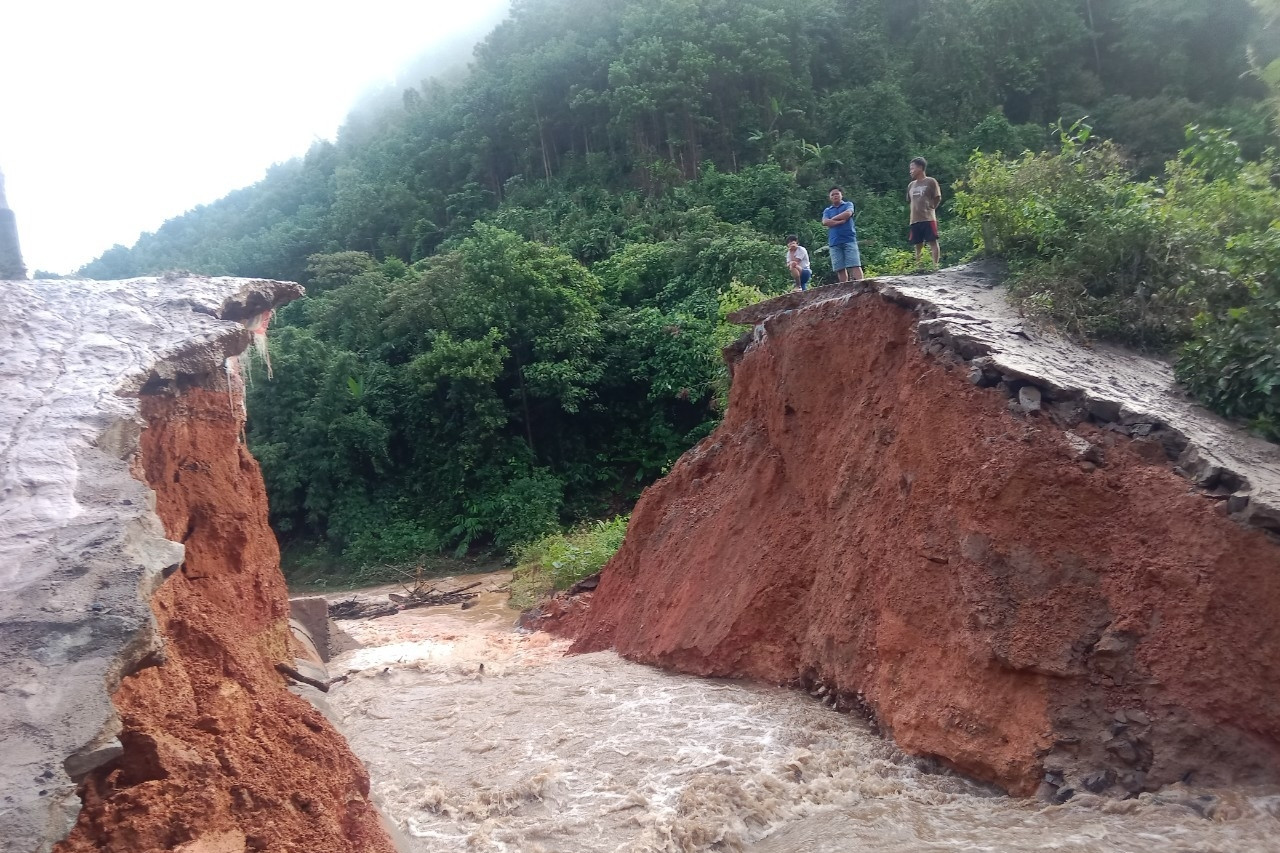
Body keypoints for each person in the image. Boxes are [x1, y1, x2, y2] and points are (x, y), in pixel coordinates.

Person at [821, 187, 863, 282]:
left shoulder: (848, 204)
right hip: (834, 242)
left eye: (837, 194)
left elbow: (848, 214)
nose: (835, 196)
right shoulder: (827, 210)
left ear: (841, 195)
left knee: (855, 264)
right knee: (839, 268)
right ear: (830, 197)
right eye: (832, 194)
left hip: (849, 239)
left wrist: (832, 220)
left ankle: (862, 285)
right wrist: (839, 222)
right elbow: (824, 222)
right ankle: (844, 288)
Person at [907, 157, 942, 269]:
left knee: (932, 242)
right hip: (914, 219)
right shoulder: (911, 185)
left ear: (920, 168)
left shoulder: (931, 181)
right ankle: (919, 267)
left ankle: (935, 266)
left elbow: (937, 197)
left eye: (912, 168)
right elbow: (910, 200)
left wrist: (932, 208)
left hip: (928, 218)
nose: (910, 171)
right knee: (918, 244)